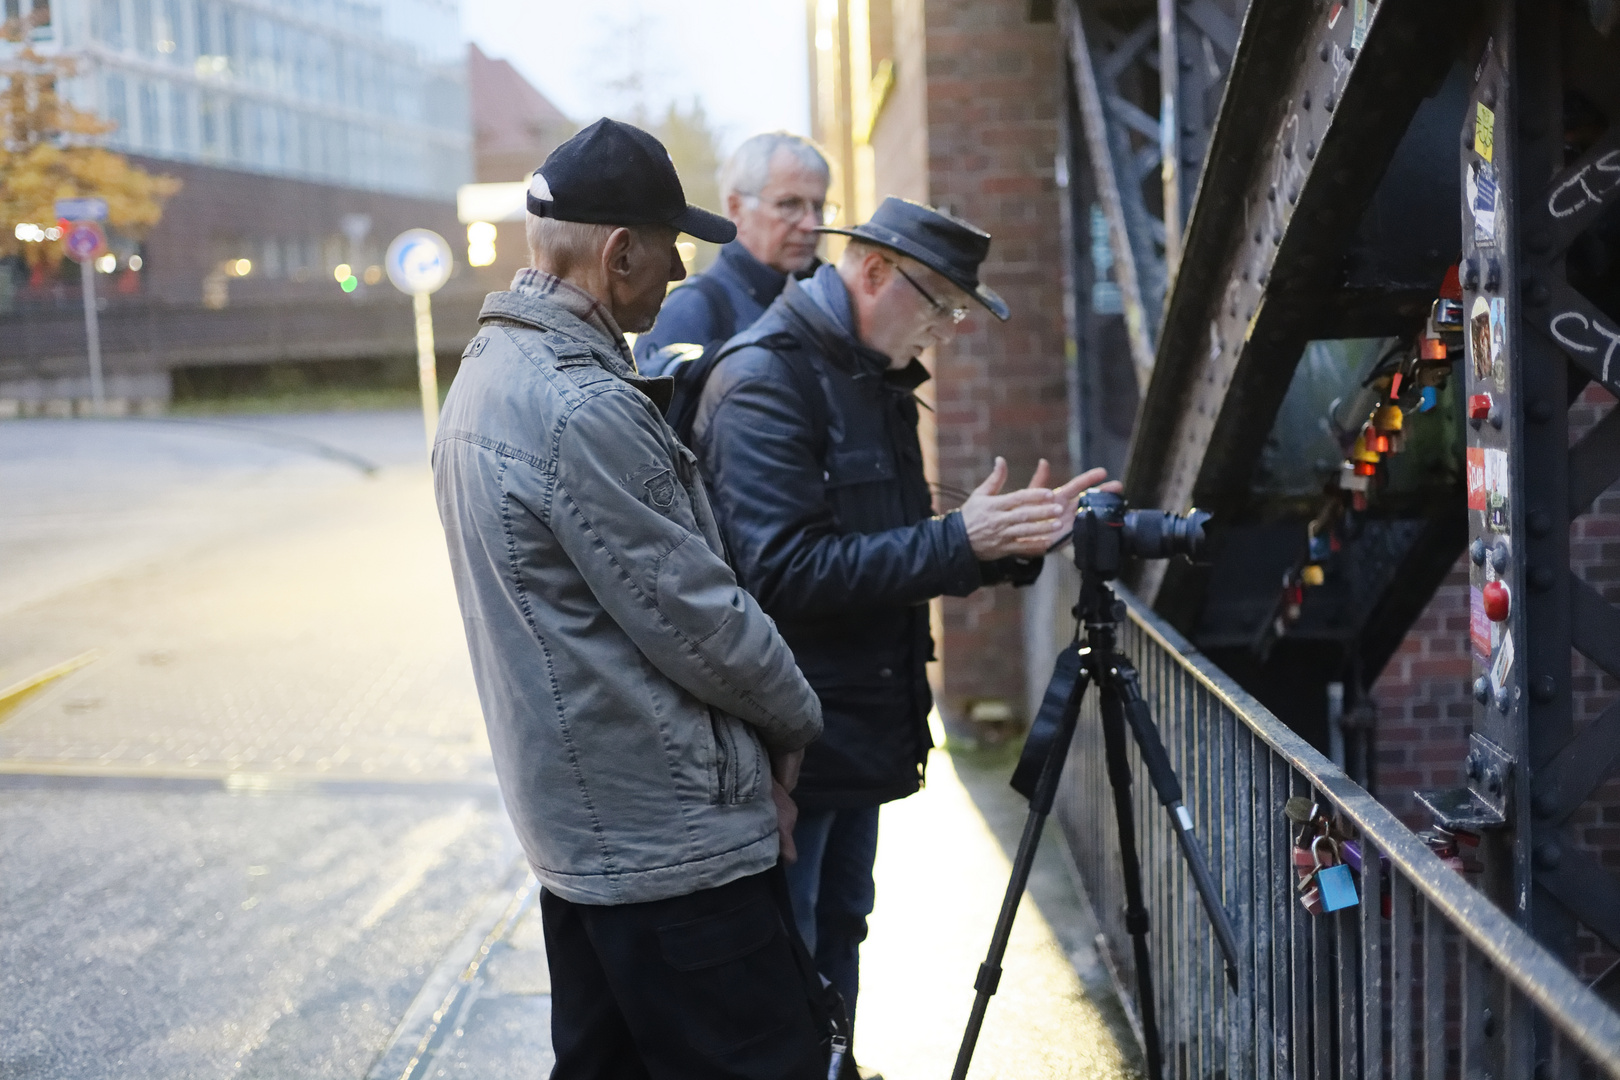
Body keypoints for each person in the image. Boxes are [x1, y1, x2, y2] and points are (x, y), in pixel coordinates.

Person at [432, 117, 830, 1079]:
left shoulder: (483, 381)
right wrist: (799, 722)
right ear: (619, 254)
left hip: (586, 843)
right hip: (672, 849)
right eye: (670, 248)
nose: (679, 273)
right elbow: (703, 621)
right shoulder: (584, 406)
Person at [691, 196, 1116, 1057]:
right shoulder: (767, 377)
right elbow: (782, 571)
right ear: (875, 272)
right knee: (795, 953)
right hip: (795, 744)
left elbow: (888, 546)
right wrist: (962, 540)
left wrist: (1009, 542)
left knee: (838, 931)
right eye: (942, 304)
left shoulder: (865, 376)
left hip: (850, 732)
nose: (948, 329)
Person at [634, 131, 831, 373]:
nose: (811, 224)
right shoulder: (691, 311)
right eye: (789, 204)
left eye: (819, 207)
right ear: (736, 208)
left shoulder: (833, 301)